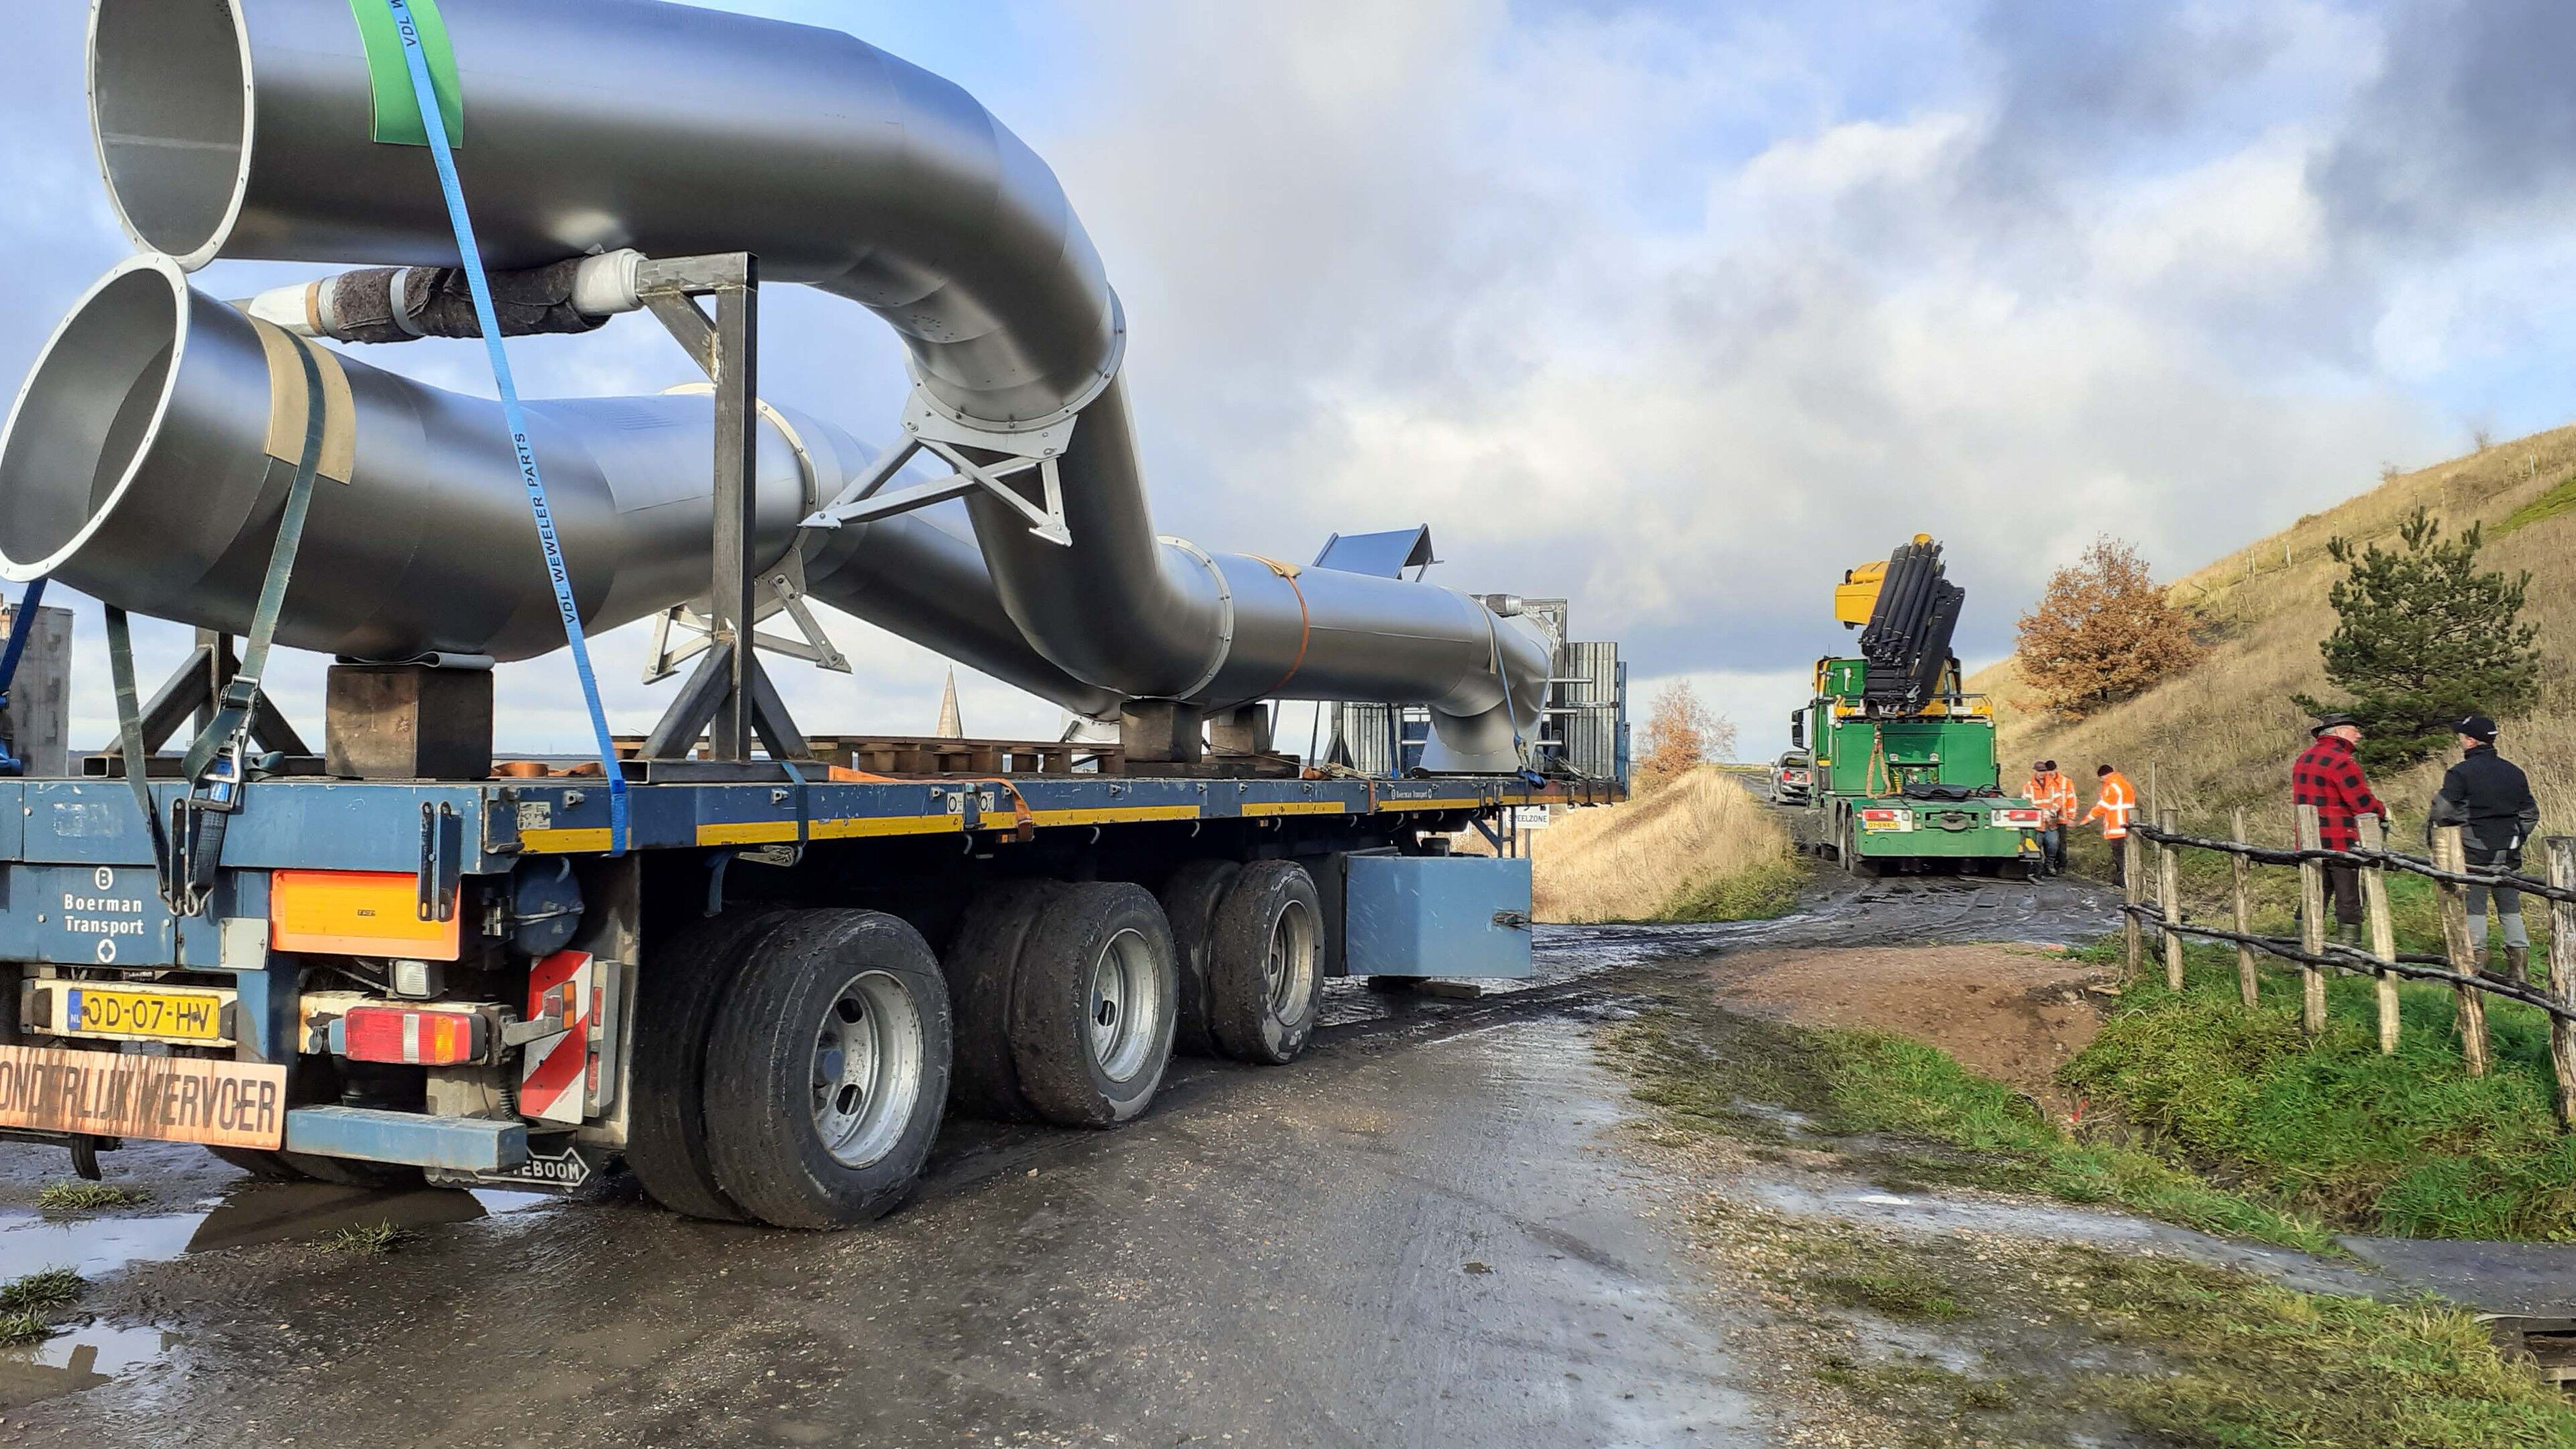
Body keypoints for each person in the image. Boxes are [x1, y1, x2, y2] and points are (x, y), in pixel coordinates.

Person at [2428, 714, 2541, 982]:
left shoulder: (2459, 773)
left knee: (2475, 906)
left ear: (2470, 741)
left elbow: (2442, 811)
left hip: (2473, 851)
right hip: (2509, 851)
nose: (2460, 740)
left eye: (2461, 736)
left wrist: (2456, 835)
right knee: (2510, 907)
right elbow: (2530, 814)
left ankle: (2474, 964)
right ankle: (2519, 969)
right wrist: (2516, 838)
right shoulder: (2514, 772)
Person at [2292, 712, 2387, 947]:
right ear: (2340, 732)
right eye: (2355, 730)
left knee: (2314, 894)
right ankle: (2348, 952)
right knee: (2348, 899)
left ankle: (2303, 949)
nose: (2359, 735)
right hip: (2340, 841)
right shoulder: (2342, 761)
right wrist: (2382, 811)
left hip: (2310, 840)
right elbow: (2362, 804)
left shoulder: (2304, 758)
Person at [2082, 763, 2137, 886]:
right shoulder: (2125, 784)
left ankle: (2122, 880)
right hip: (2128, 823)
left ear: (2105, 776)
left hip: (2117, 825)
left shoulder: (2112, 786)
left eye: (2101, 779)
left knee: (2119, 855)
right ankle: (2125, 879)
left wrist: (2087, 819)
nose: (2102, 782)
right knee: (2126, 854)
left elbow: (2103, 806)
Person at [2022, 759, 2076, 875]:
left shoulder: (2053, 785)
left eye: (2043, 771)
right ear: (2035, 772)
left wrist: (2051, 812)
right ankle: (2036, 868)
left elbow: (2059, 800)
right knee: (2035, 846)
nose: (2041, 773)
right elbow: (2027, 803)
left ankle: (2049, 865)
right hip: (2036, 823)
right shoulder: (2029, 786)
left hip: (2050, 823)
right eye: (2039, 771)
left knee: (2053, 845)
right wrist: (2041, 813)